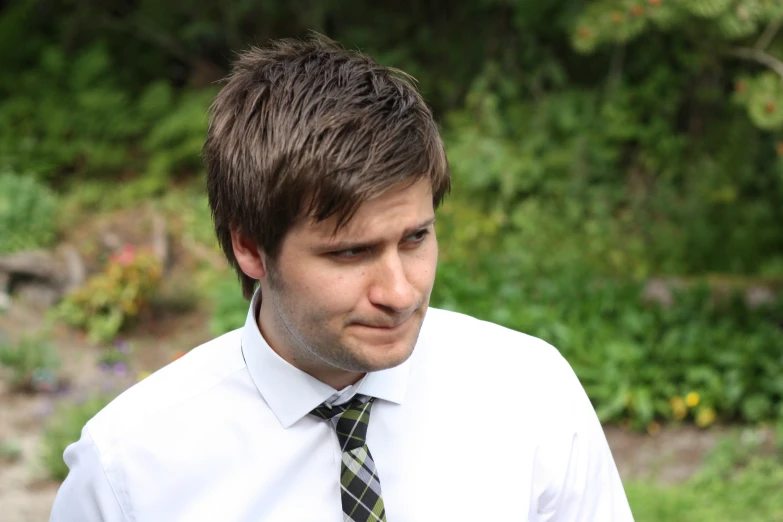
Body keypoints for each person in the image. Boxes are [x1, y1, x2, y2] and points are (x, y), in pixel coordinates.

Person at [49, 34, 634, 521]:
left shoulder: (531, 394)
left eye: (415, 238)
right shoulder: (128, 469)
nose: (400, 293)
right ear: (250, 248)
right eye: (350, 253)